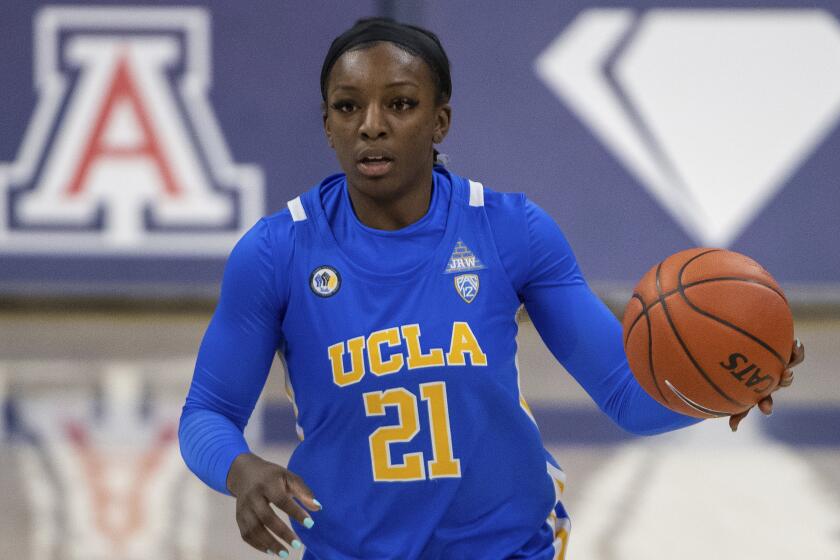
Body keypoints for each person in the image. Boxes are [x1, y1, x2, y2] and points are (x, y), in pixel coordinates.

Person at [179, 18, 804, 560]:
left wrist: (717, 384)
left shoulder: (511, 230)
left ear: (440, 120)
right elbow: (207, 413)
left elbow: (624, 395)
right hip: (348, 547)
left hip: (508, 546)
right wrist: (241, 470)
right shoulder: (275, 251)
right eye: (348, 107)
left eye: (399, 104)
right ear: (327, 124)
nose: (371, 126)